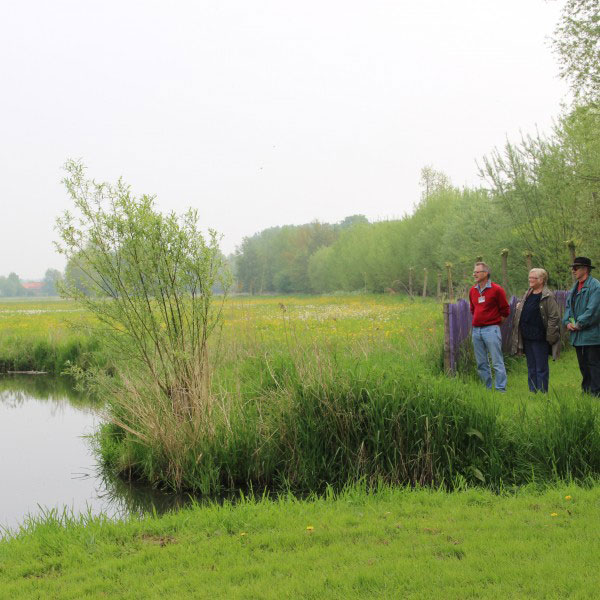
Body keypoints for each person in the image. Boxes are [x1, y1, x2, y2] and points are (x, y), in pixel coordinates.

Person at [510, 268, 561, 393]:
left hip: (540, 337)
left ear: (542, 280)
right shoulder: (528, 293)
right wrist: (520, 306)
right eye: (529, 277)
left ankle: (542, 392)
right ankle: (533, 391)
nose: (530, 280)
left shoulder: (548, 296)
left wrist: (550, 336)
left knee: (541, 367)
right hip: (527, 336)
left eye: (533, 278)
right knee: (531, 366)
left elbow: (554, 317)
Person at [469, 262, 510, 391]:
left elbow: (505, 310)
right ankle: (486, 389)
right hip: (476, 331)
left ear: (485, 273)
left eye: (477, 272)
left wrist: (495, 322)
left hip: (491, 329)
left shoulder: (497, 289)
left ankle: (500, 389)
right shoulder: (472, 291)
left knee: (497, 362)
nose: (474, 274)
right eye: (474, 272)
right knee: (481, 363)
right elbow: (472, 309)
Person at [562, 257, 600, 397]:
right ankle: (586, 391)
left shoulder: (595, 286)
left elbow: (593, 311)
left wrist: (578, 324)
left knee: (594, 365)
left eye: (576, 268)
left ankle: (596, 393)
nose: (573, 270)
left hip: (592, 335)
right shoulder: (574, 288)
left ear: (585, 269)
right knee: (583, 365)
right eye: (573, 268)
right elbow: (568, 308)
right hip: (578, 335)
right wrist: (567, 322)